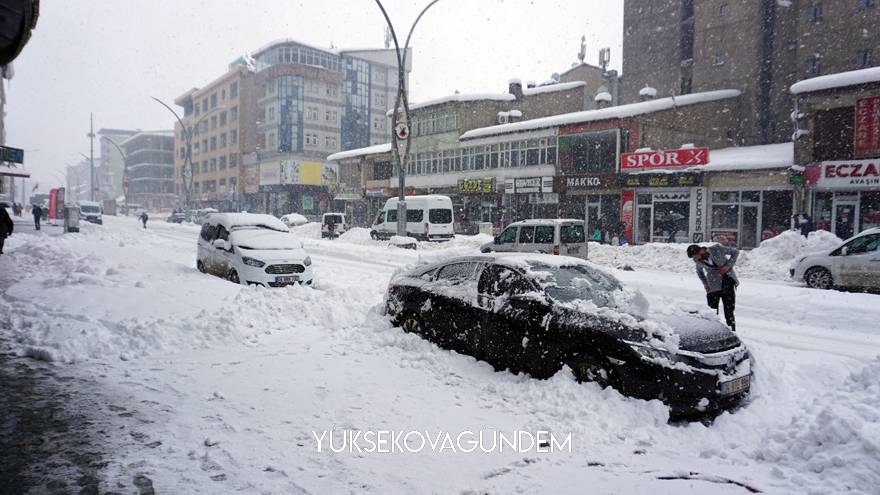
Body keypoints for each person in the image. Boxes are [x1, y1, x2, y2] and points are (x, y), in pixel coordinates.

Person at [687, 243, 740, 332]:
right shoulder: (699, 261)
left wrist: (727, 266)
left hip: (728, 280)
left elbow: (735, 252)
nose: (694, 259)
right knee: (712, 311)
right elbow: (699, 272)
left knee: (729, 310)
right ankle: (714, 331)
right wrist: (705, 284)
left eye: (694, 256)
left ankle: (732, 331)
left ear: (700, 251)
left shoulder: (716, 249)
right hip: (713, 285)